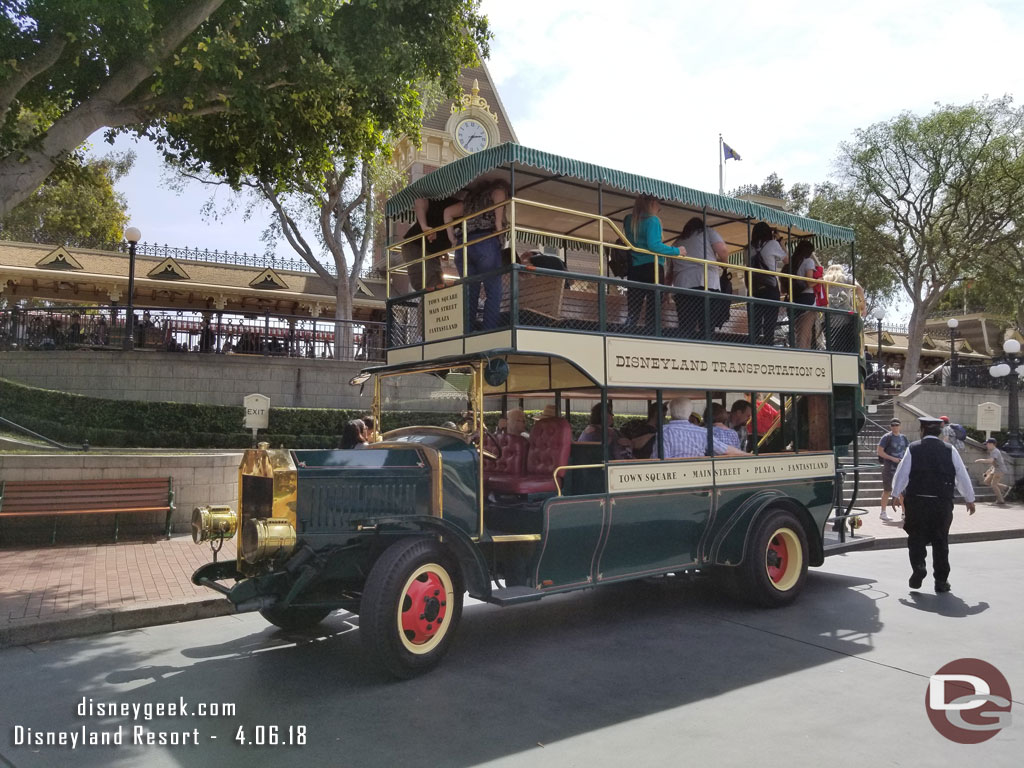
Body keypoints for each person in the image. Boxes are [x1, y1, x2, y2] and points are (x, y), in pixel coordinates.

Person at [891, 416, 976, 592]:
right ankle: (941, 581)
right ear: (939, 432)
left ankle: (919, 567)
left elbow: (903, 473)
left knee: (916, 538)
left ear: (922, 430)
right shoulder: (949, 449)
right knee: (940, 541)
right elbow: (961, 475)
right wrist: (969, 498)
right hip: (941, 503)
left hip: (917, 501)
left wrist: (894, 493)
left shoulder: (913, 448)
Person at [444, 179, 511, 331]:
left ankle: (467, 331)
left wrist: (452, 239)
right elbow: (499, 194)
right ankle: (489, 331)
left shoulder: (469, 201)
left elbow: (447, 212)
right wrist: (499, 226)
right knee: (493, 291)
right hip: (485, 241)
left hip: (463, 245)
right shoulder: (497, 191)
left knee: (469, 293)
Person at [623, 195, 685, 334]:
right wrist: (677, 251)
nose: (660, 207)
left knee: (633, 306)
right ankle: (652, 333)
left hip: (634, 267)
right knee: (654, 306)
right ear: (651, 203)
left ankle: (628, 331)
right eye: (658, 203)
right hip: (653, 268)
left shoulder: (628, 220)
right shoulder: (653, 221)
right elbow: (654, 245)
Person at [669, 216, 729, 339]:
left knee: (686, 328)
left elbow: (670, 272)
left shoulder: (677, 243)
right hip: (707, 284)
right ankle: (706, 351)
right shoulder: (707, 232)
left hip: (683, 287)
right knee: (707, 327)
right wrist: (724, 264)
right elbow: (723, 250)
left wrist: (665, 293)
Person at [401, 195, 463, 292]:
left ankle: (427, 304)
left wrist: (443, 251)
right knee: (432, 284)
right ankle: (429, 304)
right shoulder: (444, 202)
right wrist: (424, 226)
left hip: (429, 251)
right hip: (417, 245)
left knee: (428, 285)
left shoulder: (466, 219)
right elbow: (420, 200)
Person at [662, 398, 747, 459]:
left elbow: (660, 458)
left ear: (671, 412)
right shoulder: (702, 432)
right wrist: (749, 455)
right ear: (689, 412)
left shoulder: (664, 432)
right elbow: (724, 449)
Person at [748, 222, 788, 345]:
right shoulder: (772, 244)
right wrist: (780, 242)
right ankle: (768, 346)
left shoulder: (749, 248)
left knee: (754, 323)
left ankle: (753, 346)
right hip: (770, 288)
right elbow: (787, 260)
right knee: (770, 322)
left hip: (754, 289)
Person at [788, 241, 820, 349]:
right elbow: (809, 282)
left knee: (800, 332)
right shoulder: (808, 262)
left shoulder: (794, 262)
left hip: (795, 298)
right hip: (807, 299)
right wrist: (820, 280)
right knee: (805, 334)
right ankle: (803, 356)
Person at [877, 418, 909, 522]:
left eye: (897, 425)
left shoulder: (904, 438)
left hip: (901, 468)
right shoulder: (886, 437)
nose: (895, 427)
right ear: (890, 426)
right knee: (887, 490)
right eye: (893, 425)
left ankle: (904, 513)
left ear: (900, 426)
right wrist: (892, 458)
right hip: (889, 467)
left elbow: (907, 451)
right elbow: (880, 452)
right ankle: (883, 512)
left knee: (902, 490)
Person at [975, 437, 1011, 506]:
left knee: (994, 484)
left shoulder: (995, 451)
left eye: (988, 444)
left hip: (1000, 470)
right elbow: (993, 464)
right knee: (986, 481)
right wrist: (987, 472)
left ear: (992, 444)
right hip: (995, 469)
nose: (986, 445)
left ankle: (1000, 500)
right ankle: (1005, 488)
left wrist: (980, 460)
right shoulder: (993, 451)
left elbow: (990, 461)